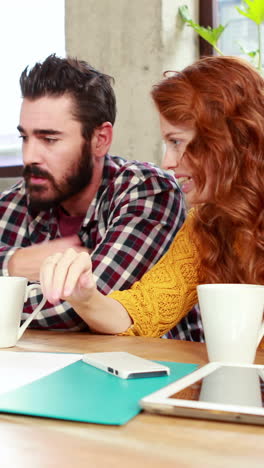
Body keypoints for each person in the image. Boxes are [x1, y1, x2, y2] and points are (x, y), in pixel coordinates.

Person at [39, 55, 264, 337]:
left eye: (176, 142)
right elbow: (144, 312)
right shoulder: (206, 225)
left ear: (226, 140)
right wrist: (86, 297)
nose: (167, 162)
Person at [0, 54, 202, 339]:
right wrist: (13, 264)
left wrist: (9, 287)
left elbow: (80, 310)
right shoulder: (14, 202)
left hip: (152, 376)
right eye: (25, 138)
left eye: (49, 139)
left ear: (100, 139)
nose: (30, 156)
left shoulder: (148, 190)